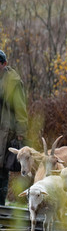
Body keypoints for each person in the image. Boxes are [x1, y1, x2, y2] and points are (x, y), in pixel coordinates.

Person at [0, 50, 28, 205]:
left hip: (6, 132)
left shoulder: (13, 82)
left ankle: (1, 207)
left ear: (4, 64)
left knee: (2, 171)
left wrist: (21, 133)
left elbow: (20, 109)